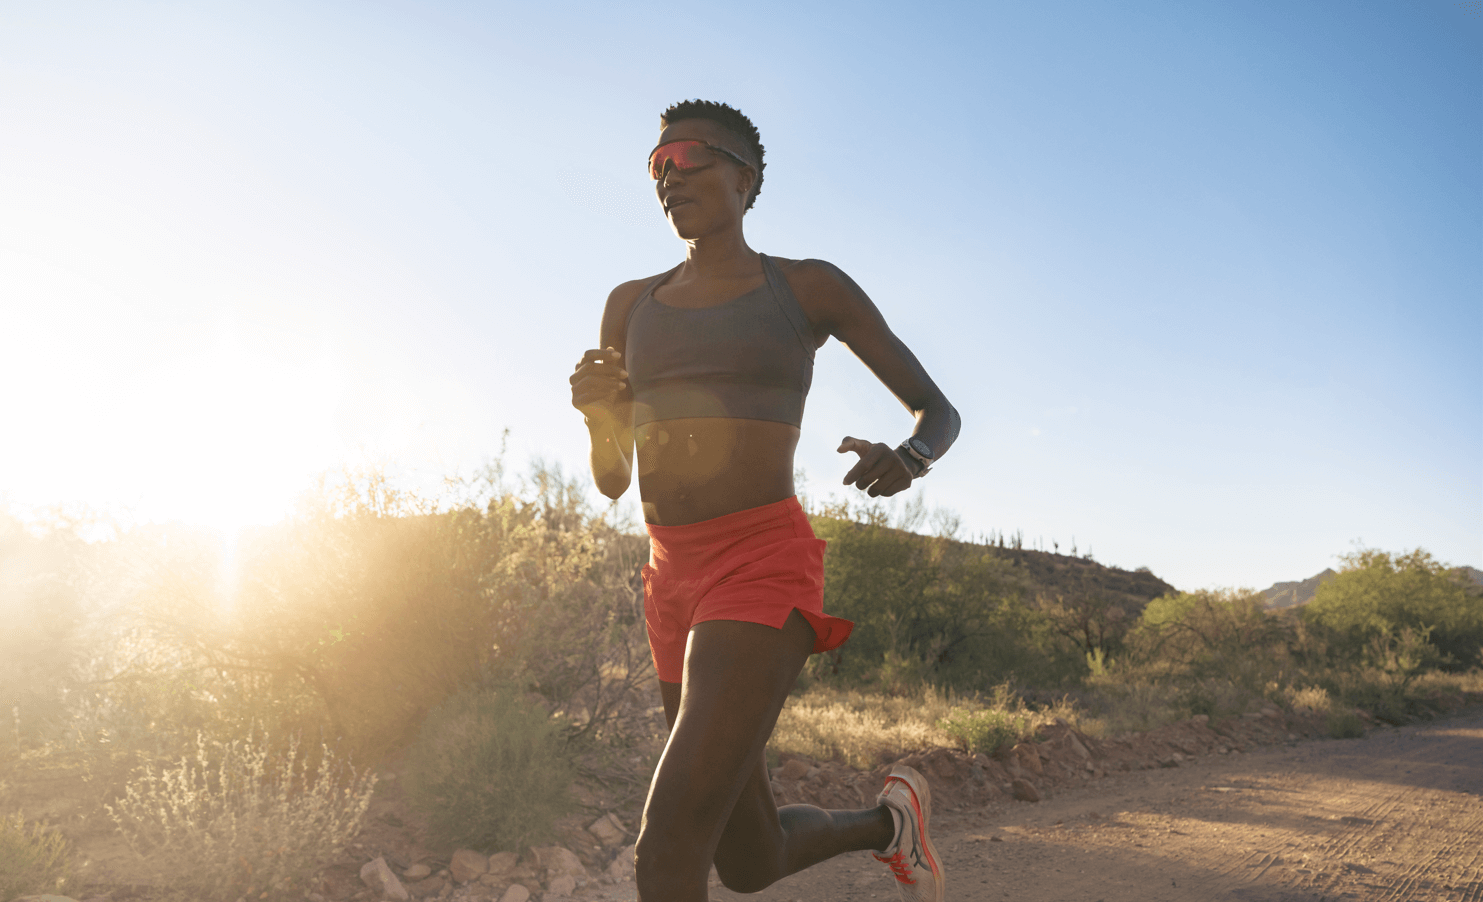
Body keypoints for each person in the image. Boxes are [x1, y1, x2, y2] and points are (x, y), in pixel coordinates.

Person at [569, 100, 960, 902]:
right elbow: (611, 479)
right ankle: (889, 825)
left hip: (759, 561)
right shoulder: (628, 304)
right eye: (656, 167)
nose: (669, 178)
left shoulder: (806, 287)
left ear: (744, 179)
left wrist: (911, 457)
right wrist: (599, 416)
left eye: (687, 159)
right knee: (747, 860)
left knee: (667, 844)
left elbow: (937, 411)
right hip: (669, 575)